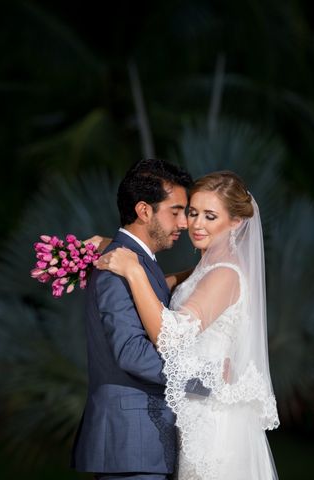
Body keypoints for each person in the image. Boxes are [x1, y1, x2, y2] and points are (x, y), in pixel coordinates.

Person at [95, 171, 280, 480]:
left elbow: (170, 337)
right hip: (194, 416)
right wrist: (113, 247)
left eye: (210, 216)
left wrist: (133, 271)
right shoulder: (207, 268)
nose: (195, 224)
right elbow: (166, 287)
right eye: (192, 213)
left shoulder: (225, 274)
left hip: (213, 428)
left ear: (235, 222)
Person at [70, 158, 194, 480]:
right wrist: (197, 382)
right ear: (144, 210)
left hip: (142, 445)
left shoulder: (136, 261)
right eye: (176, 211)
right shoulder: (117, 270)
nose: (183, 223)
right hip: (131, 445)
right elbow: (132, 353)